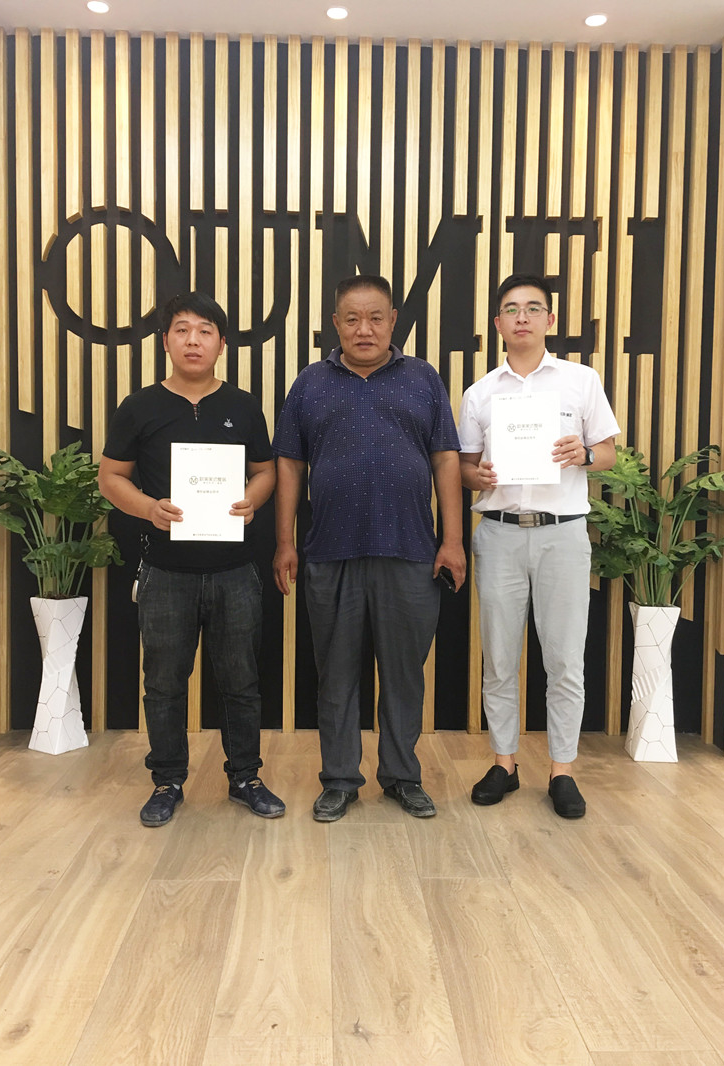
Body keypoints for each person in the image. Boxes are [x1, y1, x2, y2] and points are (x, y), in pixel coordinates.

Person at [272, 274, 466, 822]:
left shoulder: (423, 378)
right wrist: (284, 542)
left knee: (404, 674)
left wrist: (452, 541)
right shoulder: (310, 383)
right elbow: (289, 464)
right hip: (330, 550)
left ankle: (402, 776)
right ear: (335, 324)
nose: (365, 329)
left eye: (376, 318)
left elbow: (446, 459)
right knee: (335, 675)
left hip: (411, 551)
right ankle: (339, 780)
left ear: (393, 321)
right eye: (352, 319)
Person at [98, 292, 285, 826]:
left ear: (222, 344)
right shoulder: (139, 406)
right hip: (165, 572)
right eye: (182, 330)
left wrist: (253, 499)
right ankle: (167, 781)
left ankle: (245, 777)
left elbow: (266, 470)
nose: (193, 340)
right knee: (163, 683)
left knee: (241, 681)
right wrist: (148, 508)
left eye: (205, 331)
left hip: (235, 572)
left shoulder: (243, 406)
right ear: (166, 342)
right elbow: (110, 477)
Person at [459, 273, 620, 818]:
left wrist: (585, 455)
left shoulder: (580, 381)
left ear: (550, 320)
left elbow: (608, 453)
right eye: (511, 309)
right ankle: (504, 763)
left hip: (563, 534)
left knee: (565, 659)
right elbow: (464, 467)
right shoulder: (480, 393)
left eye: (533, 308)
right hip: (499, 533)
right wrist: (477, 475)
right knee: (500, 658)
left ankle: (562, 769)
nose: (522, 317)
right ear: (498, 323)